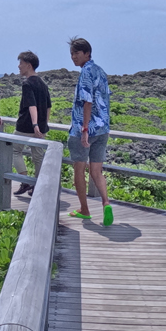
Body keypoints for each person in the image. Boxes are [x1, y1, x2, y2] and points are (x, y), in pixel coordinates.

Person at [67, 37, 113, 226]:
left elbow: (87, 101)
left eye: (77, 53)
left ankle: (85, 210)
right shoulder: (100, 71)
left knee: (79, 168)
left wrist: (85, 129)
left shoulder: (86, 72)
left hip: (84, 130)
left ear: (87, 53)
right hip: (103, 128)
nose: (73, 57)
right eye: (71, 54)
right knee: (96, 171)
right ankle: (106, 202)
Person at [12, 51, 51, 196]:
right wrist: (43, 125)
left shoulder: (27, 83)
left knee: (14, 150)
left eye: (21, 63)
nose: (19, 66)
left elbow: (31, 105)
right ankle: (37, 186)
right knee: (38, 156)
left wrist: (35, 125)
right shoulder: (43, 84)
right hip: (41, 127)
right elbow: (48, 107)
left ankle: (25, 181)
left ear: (28, 65)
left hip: (26, 126)